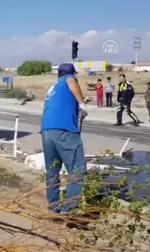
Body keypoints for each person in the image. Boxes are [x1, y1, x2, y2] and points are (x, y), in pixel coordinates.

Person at [41, 63, 87, 214]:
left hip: (47, 131)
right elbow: (71, 81)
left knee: (52, 170)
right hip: (64, 130)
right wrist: (82, 104)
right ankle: (68, 209)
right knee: (77, 169)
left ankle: (53, 208)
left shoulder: (53, 88)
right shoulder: (68, 79)